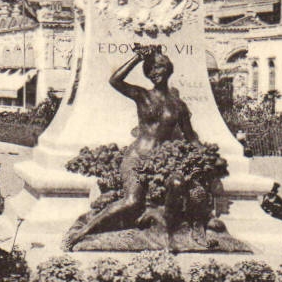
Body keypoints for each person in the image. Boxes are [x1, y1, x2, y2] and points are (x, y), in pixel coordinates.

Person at [67, 44, 198, 246]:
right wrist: (137, 58)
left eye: (159, 67)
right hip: (137, 158)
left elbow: (190, 136)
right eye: (150, 70)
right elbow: (115, 80)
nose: (154, 73)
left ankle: (166, 232)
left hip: (161, 163)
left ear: (168, 69)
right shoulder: (143, 96)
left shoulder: (178, 106)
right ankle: (83, 232)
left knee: (177, 185)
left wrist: (206, 155)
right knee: (132, 202)